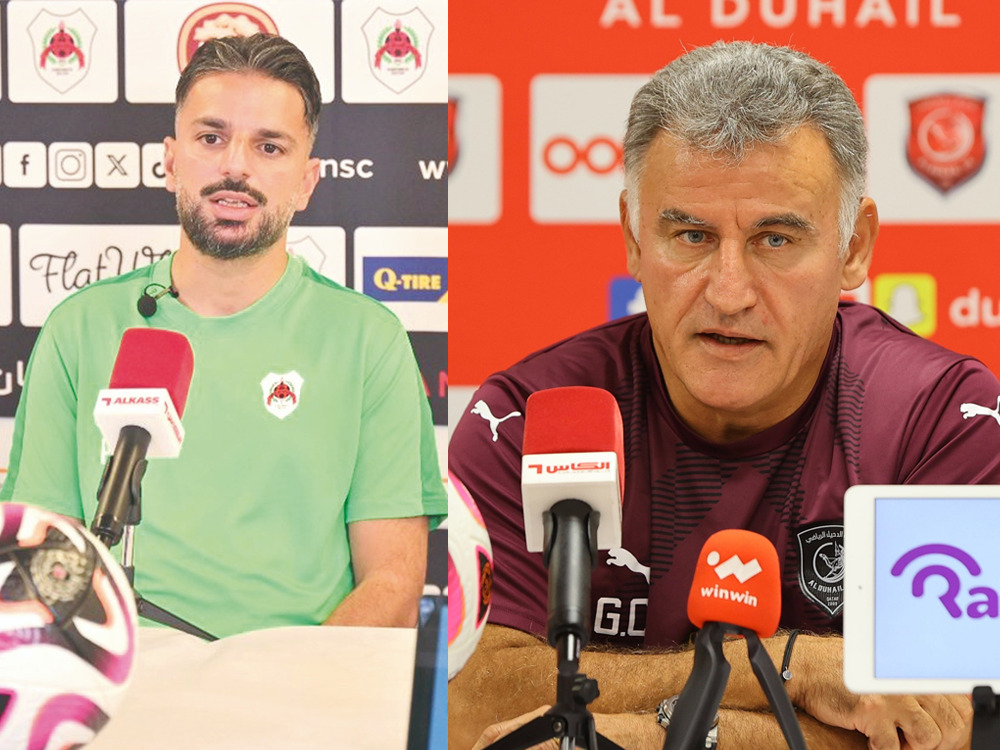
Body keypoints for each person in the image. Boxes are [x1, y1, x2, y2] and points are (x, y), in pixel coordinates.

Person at [449, 41, 1000, 750]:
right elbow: (473, 709)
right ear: (631, 235)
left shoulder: (944, 420)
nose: (729, 292)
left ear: (854, 247)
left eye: (775, 239)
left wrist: (636, 735)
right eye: (691, 235)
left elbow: (942, 729)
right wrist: (788, 667)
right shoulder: (528, 420)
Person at [0, 34, 445, 639]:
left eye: (269, 146)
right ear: (171, 160)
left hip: (301, 710)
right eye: (211, 138)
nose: (236, 165)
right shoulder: (79, 329)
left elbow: (391, 587)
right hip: (128, 705)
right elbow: (42, 568)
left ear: (308, 181)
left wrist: (275, 702)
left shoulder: (370, 341)